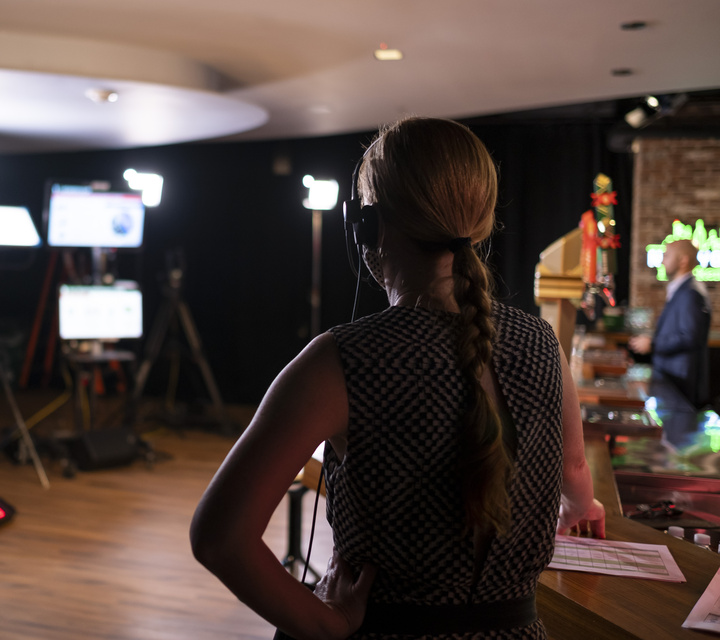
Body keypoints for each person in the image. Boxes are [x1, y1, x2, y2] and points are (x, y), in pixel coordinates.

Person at [190, 117, 605, 640]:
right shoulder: (543, 343)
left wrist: (326, 623)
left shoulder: (339, 361)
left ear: (367, 225)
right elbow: (572, 468)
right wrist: (584, 506)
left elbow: (219, 537)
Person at [629, 239, 711, 407]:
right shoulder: (682, 289)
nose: (662, 261)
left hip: (681, 382)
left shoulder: (690, 293)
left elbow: (689, 337)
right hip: (674, 378)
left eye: (666, 255)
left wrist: (652, 343)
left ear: (683, 260)